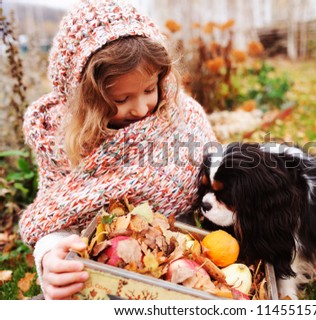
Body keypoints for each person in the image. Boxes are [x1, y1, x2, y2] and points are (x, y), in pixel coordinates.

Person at [19, 0, 216, 300]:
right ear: (85, 101)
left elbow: (219, 178)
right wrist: (50, 256)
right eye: (121, 99)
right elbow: (58, 217)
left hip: (187, 256)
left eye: (150, 89)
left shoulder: (182, 117)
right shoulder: (63, 139)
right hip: (106, 265)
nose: (140, 108)